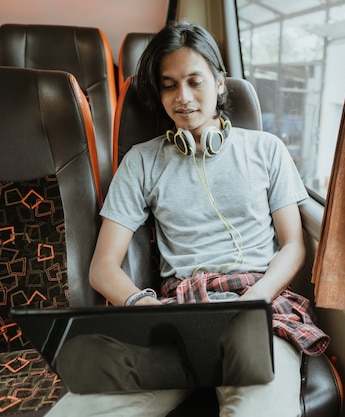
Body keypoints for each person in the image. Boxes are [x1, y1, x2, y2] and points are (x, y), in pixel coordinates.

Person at [46, 21, 329, 417]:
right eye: (168, 85)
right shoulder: (141, 161)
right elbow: (102, 268)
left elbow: (293, 245)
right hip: (181, 309)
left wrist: (254, 301)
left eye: (195, 81)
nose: (183, 97)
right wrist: (145, 308)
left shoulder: (268, 150)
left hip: (258, 304)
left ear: (220, 83)